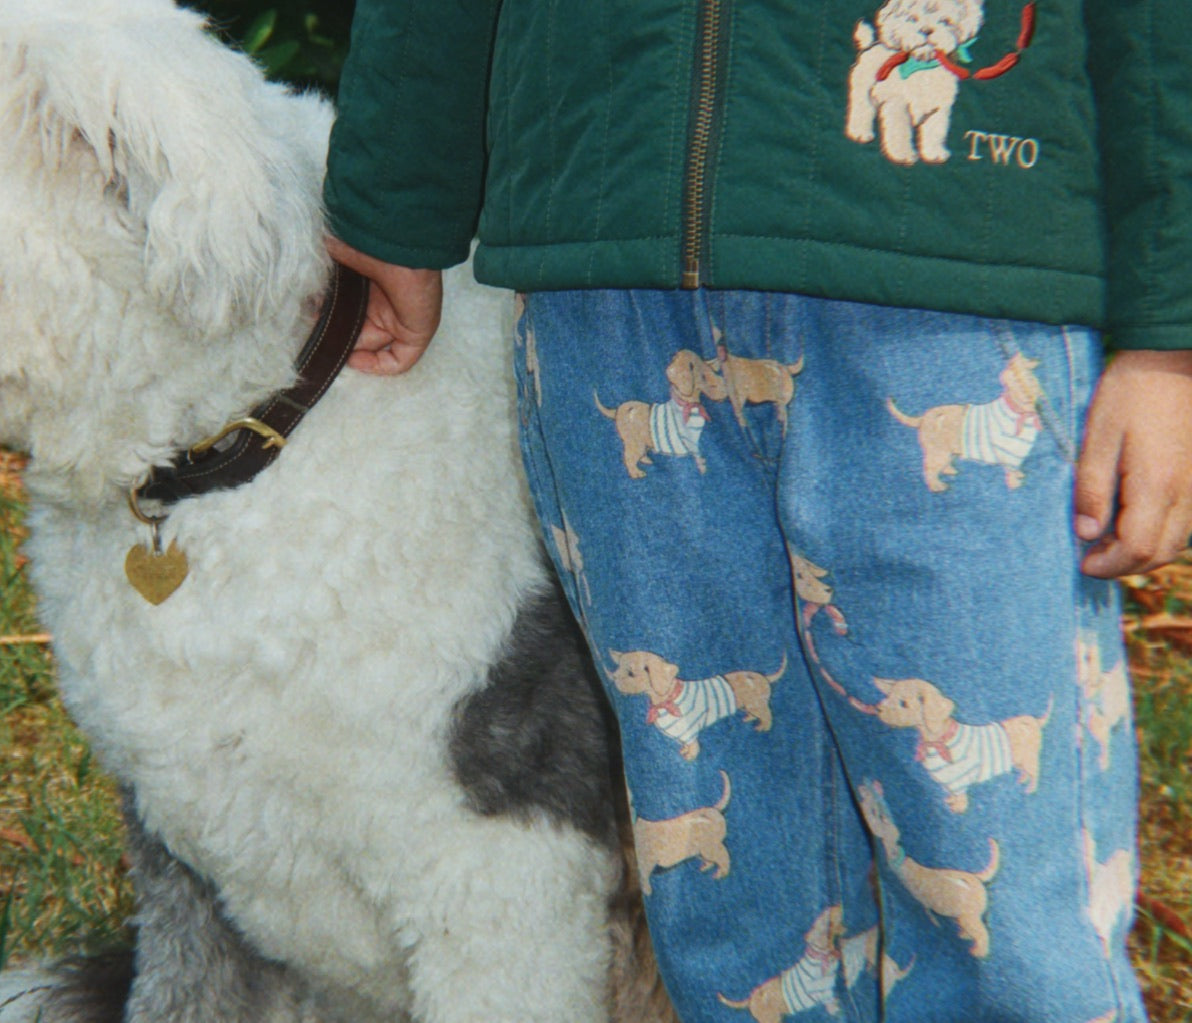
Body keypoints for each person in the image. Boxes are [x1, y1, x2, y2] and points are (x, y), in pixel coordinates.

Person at [321, 2, 1190, 1021]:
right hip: (610, 286)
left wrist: (1170, 327)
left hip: (952, 290)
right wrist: (392, 190)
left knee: (989, 890)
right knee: (733, 906)